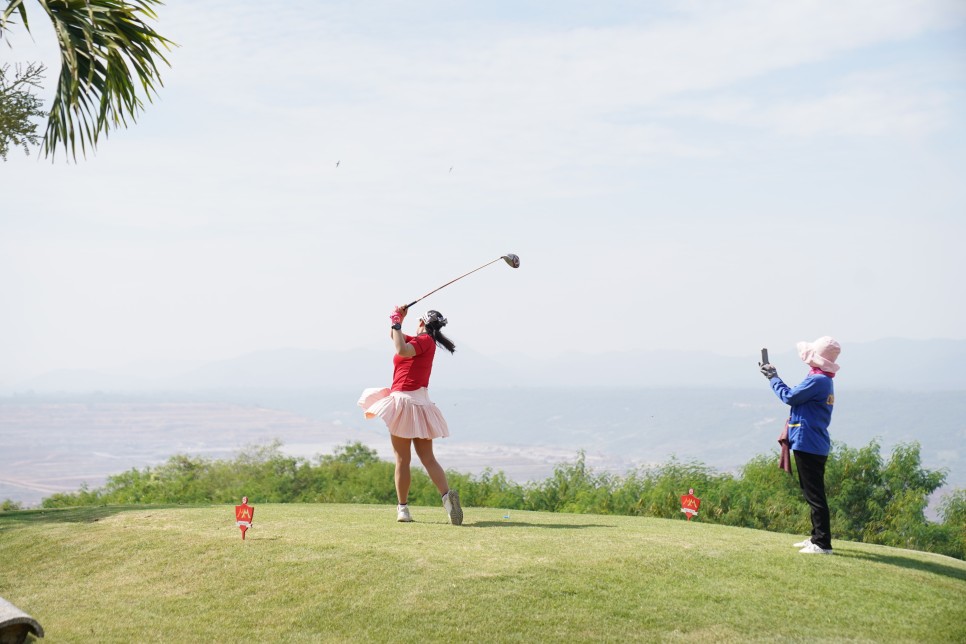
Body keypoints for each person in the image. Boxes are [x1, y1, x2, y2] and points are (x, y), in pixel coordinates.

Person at [357, 306, 463, 525]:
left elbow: (401, 350)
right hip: (421, 403)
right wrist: (398, 321)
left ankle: (403, 509)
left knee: (402, 459)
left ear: (422, 323)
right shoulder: (424, 342)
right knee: (428, 458)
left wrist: (397, 321)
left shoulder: (422, 342)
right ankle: (447, 500)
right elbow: (395, 337)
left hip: (405, 402)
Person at [760, 336, 841, 555]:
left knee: (814, 495)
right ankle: (816, 537)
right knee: (812, 493)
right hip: (813, 442)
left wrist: (773, 378)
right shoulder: (823, 379)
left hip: (808, 443)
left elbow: (790, 397)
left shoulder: (818, 380)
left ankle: (822, 543)